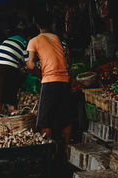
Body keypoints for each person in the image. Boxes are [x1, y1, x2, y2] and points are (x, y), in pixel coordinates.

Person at [26, 15, 73, 152]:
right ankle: (66, 149)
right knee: (65, 116)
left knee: (45, 119)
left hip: (50, 81)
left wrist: (39, 74)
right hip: (64, 81)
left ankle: (49, 151)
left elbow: (30, 64)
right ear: (52, 25)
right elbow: (68, 60)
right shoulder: (57, 38)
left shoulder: (34, 40)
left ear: (37, 26)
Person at [0, 28, 30, 112]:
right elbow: (29, 64)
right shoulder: (25, 43)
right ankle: (13, 120)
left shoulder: (8, 40)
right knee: (10, 101)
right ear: (28, 37)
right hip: (9, 68)